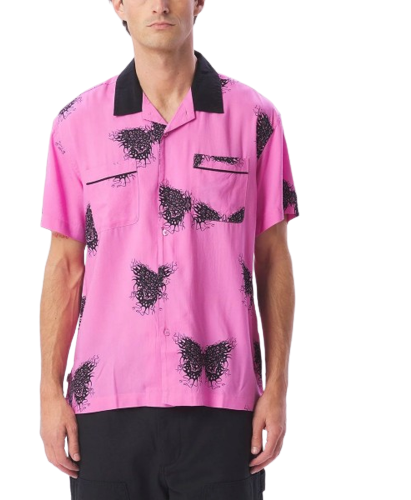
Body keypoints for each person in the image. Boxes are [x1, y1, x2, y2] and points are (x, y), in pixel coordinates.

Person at [39, 1, 299, 499]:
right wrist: (50, 391)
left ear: (199, 2)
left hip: (223, 406)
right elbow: (65, 265)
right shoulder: (76, 125)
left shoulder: (255, 118)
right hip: (107, 404)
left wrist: (278, 387)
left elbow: (272, 259)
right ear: (118, 3)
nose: (159, 4)